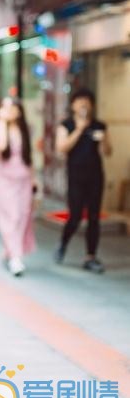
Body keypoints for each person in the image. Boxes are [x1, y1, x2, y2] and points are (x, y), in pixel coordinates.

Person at [54, 88, 112, 274]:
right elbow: (61, 148)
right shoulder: (67, 125)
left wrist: (103, 141)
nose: (83, 105)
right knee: (76, 215)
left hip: (95, 176)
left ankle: (91, 256)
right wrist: (79, 130)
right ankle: (63, 244)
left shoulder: (99, 126)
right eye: (79, 101)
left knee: (94, 217)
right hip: (75, 176)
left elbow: (108, 152)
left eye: (87, 101)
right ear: (73, 105)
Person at [0, 97, 36, 276]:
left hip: (24, 180)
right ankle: (15, 257)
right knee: (10, 217)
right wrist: (1, 121)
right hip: (4, 180)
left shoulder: (25, 130)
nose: (8, 110)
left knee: (22, 216)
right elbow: (1, 145)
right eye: (5, 107)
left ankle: (13, 252)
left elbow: (29, 156)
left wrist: (34, 180)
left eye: (11, 107)